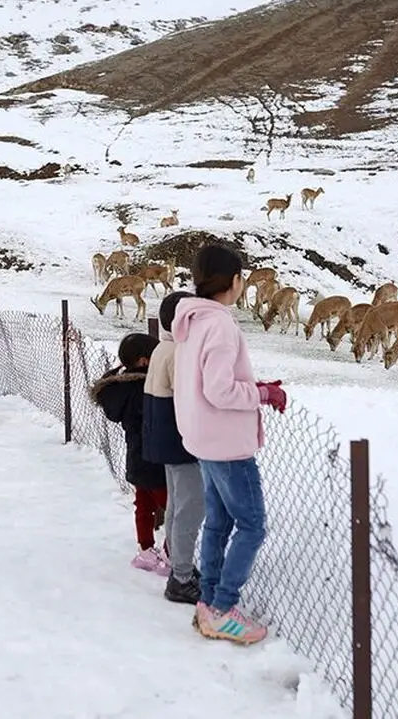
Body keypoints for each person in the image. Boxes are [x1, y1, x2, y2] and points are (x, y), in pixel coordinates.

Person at [171, 243, 287, 645]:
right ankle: (222, 608)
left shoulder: (191, 322)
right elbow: (219, 390)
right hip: (226, 443)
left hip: (202, 438)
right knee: (252, 526)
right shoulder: (220, 325)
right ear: (235, 281)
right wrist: (263, 395)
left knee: (219, 522)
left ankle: (208, 604)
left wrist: (255, 388)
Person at [143, 290, 205, 604]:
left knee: (178, 505)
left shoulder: (162, 349)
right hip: (182, 442)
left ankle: (179, 567)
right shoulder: (179, 353)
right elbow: (188, 397)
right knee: (190, 508)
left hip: (164, 438)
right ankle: (181, 576)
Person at [91, 332, 170, 576]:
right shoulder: (149, 388)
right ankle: (172, 553)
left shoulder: (121, 389)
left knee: (143, 504)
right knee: (173, 507)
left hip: (136, 456)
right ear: (145, 361)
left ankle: (146, 549)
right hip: (157, 458)